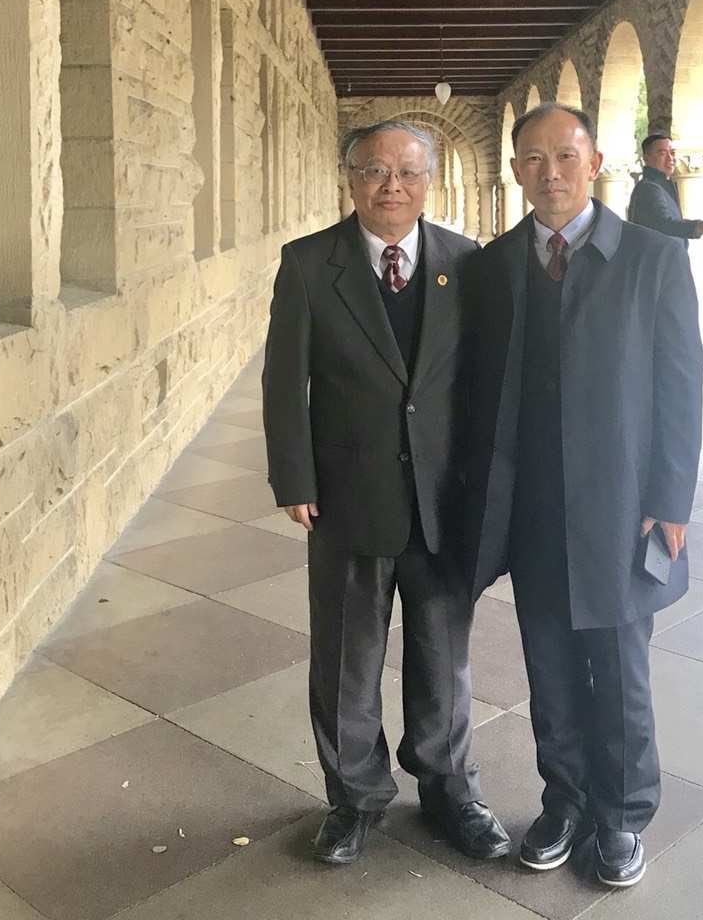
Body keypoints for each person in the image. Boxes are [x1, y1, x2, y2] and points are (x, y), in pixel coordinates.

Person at [464, 104, 703, 891]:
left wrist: (672, 497)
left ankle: (623, 814)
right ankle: (564, 801)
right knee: (550, 662)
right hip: (534, 504)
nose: (551, 173)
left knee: (620, 664)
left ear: (594, 162)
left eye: (565, 155)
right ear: (516, 171)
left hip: (623, 503)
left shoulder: (651, 258)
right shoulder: (496, 266)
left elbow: (681, 383)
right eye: (533, 159)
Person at [262, 121, 508, 867]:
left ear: (428, 181)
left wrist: (487, 483)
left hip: (443, 499)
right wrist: (295, 478)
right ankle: (355, 798)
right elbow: (284, 381)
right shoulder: (310, 264)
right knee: (346, 657)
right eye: (374, 171)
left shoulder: (467, 263)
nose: (391, 186)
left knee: (444, 655)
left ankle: (449, 790)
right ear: (351, 179)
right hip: (347, 494)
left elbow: (484, 384)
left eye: (407, 172)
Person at [627, 135, 703, 245]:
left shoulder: (661, 186)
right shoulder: (649, 188)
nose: (670, 158)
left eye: (672, 153)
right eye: (662, 153)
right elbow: (663, 224)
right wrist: (700, 227)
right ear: (646, 157)